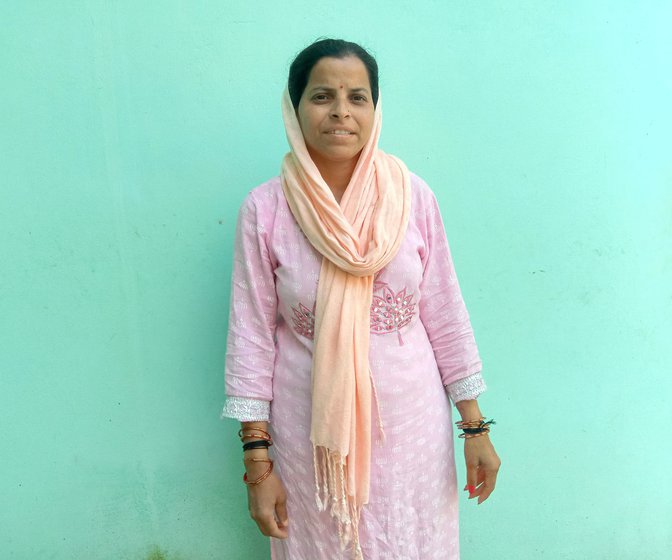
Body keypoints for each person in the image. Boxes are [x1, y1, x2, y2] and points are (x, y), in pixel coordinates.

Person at [221, 38, 501, 560]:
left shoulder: (412, 196)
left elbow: (444, 311)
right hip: (311, 440)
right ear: (294, 106)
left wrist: (475, 427)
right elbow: (251, 334)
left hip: (413, 429)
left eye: (358, 97)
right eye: (322, 96)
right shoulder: (266, 210)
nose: (340, 112)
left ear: (376, 108)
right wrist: (258, 465)